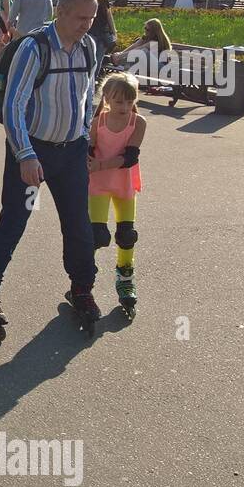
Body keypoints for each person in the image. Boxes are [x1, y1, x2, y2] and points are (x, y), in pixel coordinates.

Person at [0, 0, 103, 338]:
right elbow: (13, 106)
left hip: (70, 153)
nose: (88, 24)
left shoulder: (88, 47)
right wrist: (25, 154)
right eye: (82, 17)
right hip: (33, 152)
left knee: (79, 224)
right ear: (62, 12)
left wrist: (84, 135)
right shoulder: (34, 49)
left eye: (93, 17)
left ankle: (82, 286)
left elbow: (88, 95)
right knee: (14, 222)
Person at [87, 72, 146, 318]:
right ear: (107, 99)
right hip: (98, 185)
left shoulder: (138, 122)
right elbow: (87, 152)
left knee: (126, 234)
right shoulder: (96, 122)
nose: (124, 106)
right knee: (97, 236)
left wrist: (100, 165)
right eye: (118, 101)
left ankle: (125, 276)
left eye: (129, 101)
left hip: (124, 184)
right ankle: (83, 280)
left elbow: (131, 157)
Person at [88, 0, 118, 64]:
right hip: (93, 33)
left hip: (102, 34)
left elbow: (109, 17)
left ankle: (94, 75)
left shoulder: (104, 2)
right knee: (93, 58)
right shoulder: (88, 2)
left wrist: (114, 32)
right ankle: (92, 75)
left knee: (97, 59)